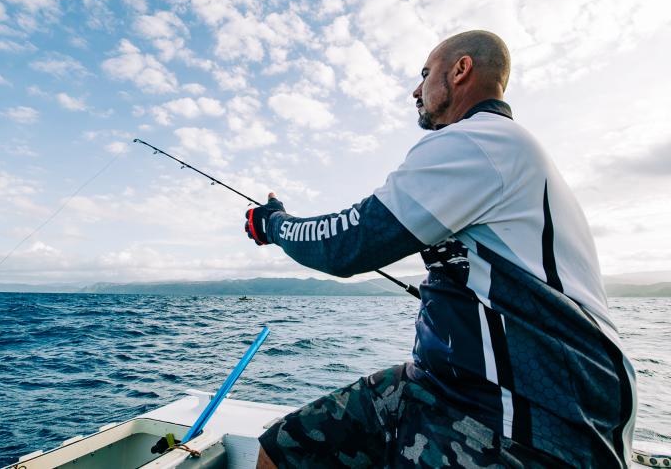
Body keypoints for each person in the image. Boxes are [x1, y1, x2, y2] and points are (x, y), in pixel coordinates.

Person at [244, 31, 636, 468]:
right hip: (449, 386)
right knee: (284, 449)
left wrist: (273, 224)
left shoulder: (479, 141)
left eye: (425, 74)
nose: (416, 89)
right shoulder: (506, 151)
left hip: (524, 412)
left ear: (460, 70)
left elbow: (349, 243)